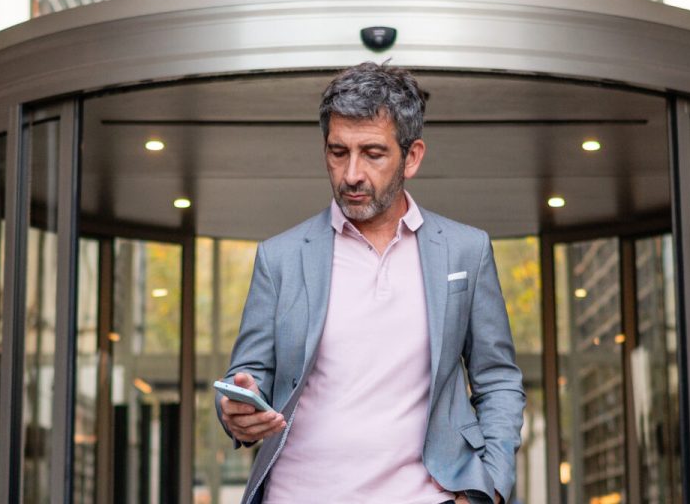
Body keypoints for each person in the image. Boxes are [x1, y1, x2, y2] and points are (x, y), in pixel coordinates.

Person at [216, 62, 524, 504]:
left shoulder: (465, 251)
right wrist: (238, 409)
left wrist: (490, 487)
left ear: (412, 157)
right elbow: (249, 377)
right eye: (338, 152)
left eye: (373, 153)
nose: (352, 174)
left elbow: (497, 380)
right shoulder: (279, 257)